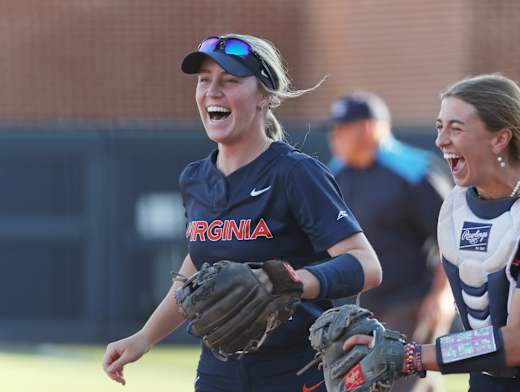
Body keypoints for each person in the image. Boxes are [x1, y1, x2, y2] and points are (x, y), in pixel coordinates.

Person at [101, 33, 382, 392]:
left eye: (230, 81)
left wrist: (287, 282)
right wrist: (145, 337)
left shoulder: (295, 173)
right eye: (205, 81)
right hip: (220, 370)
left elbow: (367, 265)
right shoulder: (196, 178)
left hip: (296, 369)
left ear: (265, 95)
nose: (212, 92)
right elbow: (198, 264)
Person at [344, 73, 520, 391]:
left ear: (499, 139)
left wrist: (411, 356)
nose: (441, 141)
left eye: (456, 128)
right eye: (440, 127)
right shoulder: (455, 208)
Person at [326, 92, 454, 391]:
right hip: (358, 306)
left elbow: (452, 239)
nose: (335, 137)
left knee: (400, 384)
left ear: (367, 129)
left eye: (341, 129)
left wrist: (443, 295)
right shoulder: (336, 173)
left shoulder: (412, 172)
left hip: (410, 303)